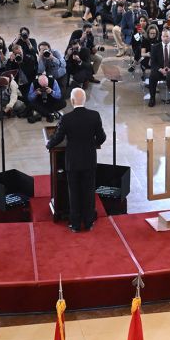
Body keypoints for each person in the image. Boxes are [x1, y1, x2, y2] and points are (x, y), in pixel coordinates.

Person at [46, 87, 106, 232]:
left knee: (74, 192)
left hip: (72, 161)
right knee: (89, 191)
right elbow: (102, 137)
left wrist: (49, 145)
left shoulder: (66, 119)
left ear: (72, 101)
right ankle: (89, 221)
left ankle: (75, 224)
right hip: (89, 160)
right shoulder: (94, 115)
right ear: (84, 100)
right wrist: (93, 143)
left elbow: (58, 137)